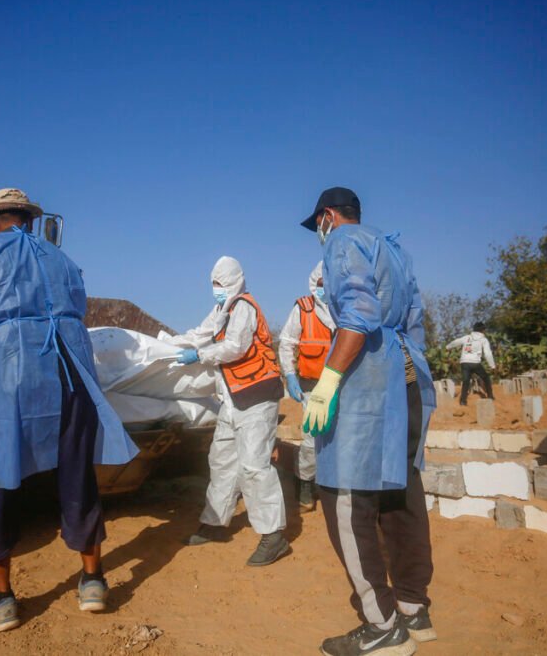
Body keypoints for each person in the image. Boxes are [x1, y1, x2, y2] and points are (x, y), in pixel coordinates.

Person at [0, 188, 138, 632]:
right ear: (32, 221)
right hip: (70, 364)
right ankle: (93, 581)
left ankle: (0, 599)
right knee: (77, 469)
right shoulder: (62, 260)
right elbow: (77, 308)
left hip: (8, 368)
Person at [299, 187, 437, 656]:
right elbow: (415, 320)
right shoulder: (393, 249)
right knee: (401, 490)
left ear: (328, 216)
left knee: (344, 495)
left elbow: (358, 314)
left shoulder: (343, 241)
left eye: (318, 224)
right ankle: (413, 606)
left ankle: (382, 626)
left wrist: (329, 380)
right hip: (406, 378)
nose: (319, 233)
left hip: (369, 382)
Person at [167, 256, 290, 567]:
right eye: (213, 283)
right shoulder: (222, 310)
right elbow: (200, 333)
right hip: (233, 398)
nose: (216, 289)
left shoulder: (244, 307)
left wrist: (199, 355)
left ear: (235, 281)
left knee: (254, 466)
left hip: (257, 396)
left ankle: (273, 535)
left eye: (221, 283)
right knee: (222, 460)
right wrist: (169, 345)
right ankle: (214, 522)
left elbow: (235, 347)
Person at [278, 261, 335, 512]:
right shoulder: (303, 308)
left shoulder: (345, 307)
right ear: (314, 283)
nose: (324, 288)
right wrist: (290, 375)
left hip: (342, 386)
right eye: (320, 284)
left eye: (328, 283)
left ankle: (334, 487)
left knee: (340, 438)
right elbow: (287, 343)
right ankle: (304, 486)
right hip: (312, 386)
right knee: (312, 439)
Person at [445, 321, 496, 405]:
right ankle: (490, 396)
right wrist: (492, 365)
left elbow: (456, 342)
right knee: (486, 378)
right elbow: (487, 353)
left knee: (466, 381)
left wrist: (448, 347)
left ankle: (463, 401)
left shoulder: (467, 337)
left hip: (464, 362)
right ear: (483, 330)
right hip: (476, 363)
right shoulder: (483, 340)